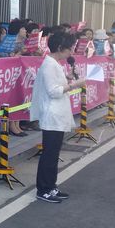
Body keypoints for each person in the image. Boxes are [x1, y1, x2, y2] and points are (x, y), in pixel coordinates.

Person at [30, 31, 85, 203]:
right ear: (60, 48)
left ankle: (51, 186)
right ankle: (43, 189)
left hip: (57, 114)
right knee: (49, 154)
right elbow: (53, 91)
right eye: (70, 49)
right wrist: (75, 84)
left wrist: (68, 79)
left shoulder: (54, 64)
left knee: (53, 154)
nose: (71, 52)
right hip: (52, 115)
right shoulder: (49, 65)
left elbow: (55, 85)